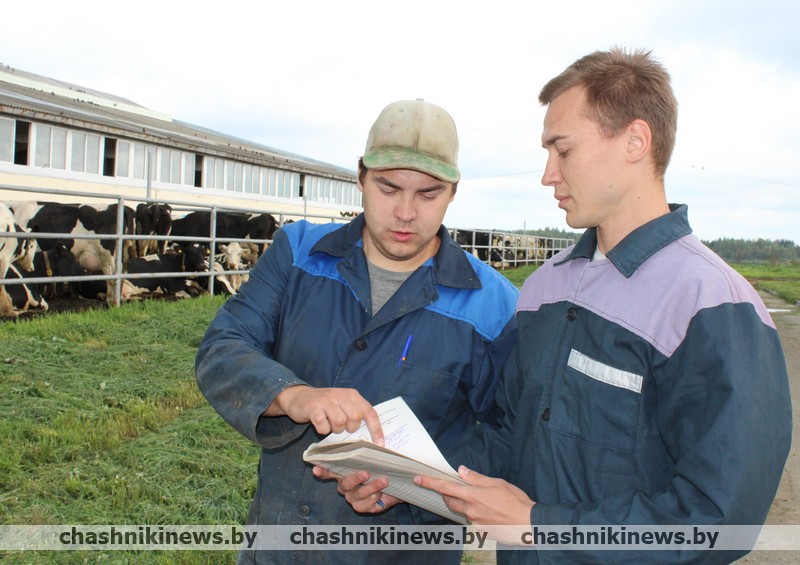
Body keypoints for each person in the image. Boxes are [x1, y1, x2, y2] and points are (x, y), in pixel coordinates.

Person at [341, 48, 793, 563]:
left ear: (635, 141)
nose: (547, 175)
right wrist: (404, 480)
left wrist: (540, 528)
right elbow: (510, 439)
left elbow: (720, 518)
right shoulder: (544, 290)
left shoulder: (711, 303)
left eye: (563, 150)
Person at [195, 98, 519, 564]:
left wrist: (412, 484)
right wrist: (293, 393)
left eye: (428, 194)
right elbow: (223, 347)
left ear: (453, 192)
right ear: (361, 178)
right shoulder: (298, 254)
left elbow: (512, 433)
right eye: (388, 188)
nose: (406, 212)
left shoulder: (493, 304)